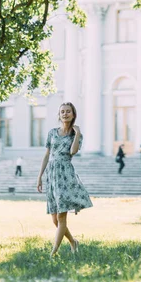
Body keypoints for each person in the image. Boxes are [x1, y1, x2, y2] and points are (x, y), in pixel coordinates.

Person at [37, 102, 93, 257]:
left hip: (65, 174)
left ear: (73, 114)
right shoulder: (52, 133)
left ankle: (53, 252)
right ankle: (73, 241)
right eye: (62, 111)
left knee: (62, 217)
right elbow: (47, 155)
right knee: (55, 219)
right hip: (51, 175)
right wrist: (40, 177)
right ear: (59, 114)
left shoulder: (76, 135)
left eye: (68, 111)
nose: (65, 114)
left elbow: (73, 152)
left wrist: (78, 133)